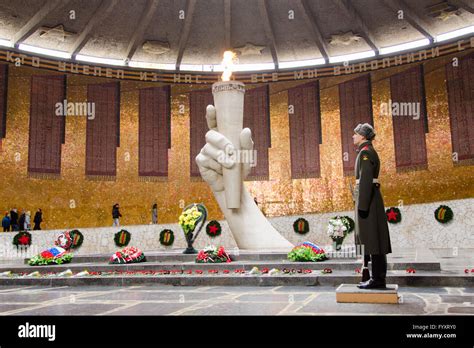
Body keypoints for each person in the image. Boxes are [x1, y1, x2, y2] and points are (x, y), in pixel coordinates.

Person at [352, 123, 392, 290]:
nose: (353, 136)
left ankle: (377, 279)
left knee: (373, 240)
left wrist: (362, 205)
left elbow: (366, 180)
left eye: (355, 134)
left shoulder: (366, 153)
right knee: (372, 239)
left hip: (368, 201)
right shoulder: (365, 151)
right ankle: (375, 277)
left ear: (362, 136)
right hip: (369, 199)